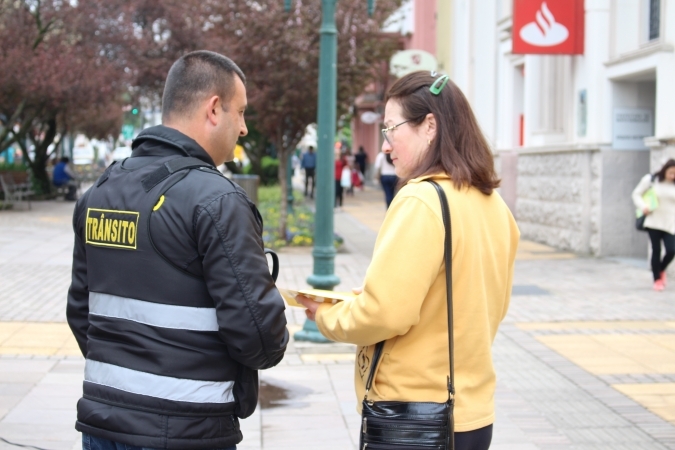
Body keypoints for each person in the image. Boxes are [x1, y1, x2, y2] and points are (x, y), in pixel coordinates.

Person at [66, 51, 289, 450]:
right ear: (214, 108)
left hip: (103, 426)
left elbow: (81, 314)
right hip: (188, 428)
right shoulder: (217, 200)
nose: (244, 129)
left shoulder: (100, 192)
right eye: (241, 113)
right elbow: (259, 338)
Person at [297, 71, 520, 450]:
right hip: (473, 414)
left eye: (391, 128)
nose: (385, 145)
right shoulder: (492, 203)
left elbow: (385, 314)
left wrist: (326, 316)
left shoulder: (422, 200)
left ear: (429, 125)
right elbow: (480, 306)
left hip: (415, 417)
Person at [632, 159, 675, 291]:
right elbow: (636, 194)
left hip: (671, 222)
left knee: (672, 250)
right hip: (653, 220)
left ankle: (661, 269)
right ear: (664, 170)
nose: (673, 176)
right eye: (671, 172)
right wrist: (643, 206)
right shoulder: (651, 180)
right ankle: (656, 279)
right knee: (656, 250)